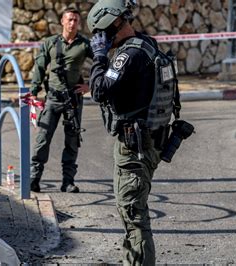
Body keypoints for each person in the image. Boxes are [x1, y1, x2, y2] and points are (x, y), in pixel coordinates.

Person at [87, 0, 188, 264]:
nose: (101, 39)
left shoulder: (128, 55)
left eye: (102, 33)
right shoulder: (147, 44)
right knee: (132, 211)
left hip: (135, 147)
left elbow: (99, 90)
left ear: (114, 25)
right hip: (149, 141)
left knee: (133, 214)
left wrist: (99, 57)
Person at [30, 7, 93, 193]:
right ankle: (34, 179)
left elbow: (101, 64)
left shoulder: (84, 44)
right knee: (42, 139)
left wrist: (90, 85)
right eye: (69, 20)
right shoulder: (50, 43)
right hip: (52, 98)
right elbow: (40, 67)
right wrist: (33, 91)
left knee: (72, 142)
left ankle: (68, 181)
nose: (73, 23)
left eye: (76, 20)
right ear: (62, 22)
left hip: (73, 100)